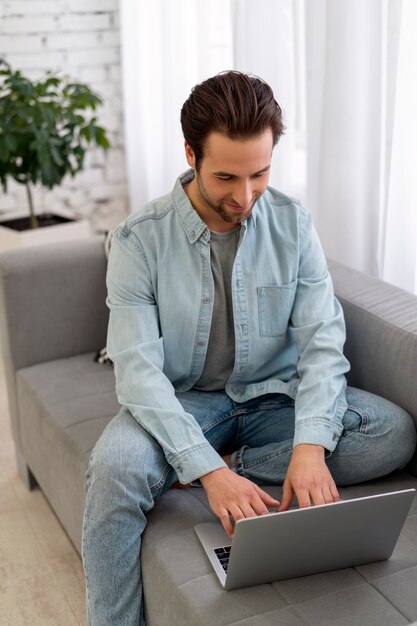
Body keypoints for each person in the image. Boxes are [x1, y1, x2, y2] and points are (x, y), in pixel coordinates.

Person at [82, 71, 416, 625]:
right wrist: (207, 469)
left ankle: (237, 467)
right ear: (190, 153)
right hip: (187, 402)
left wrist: (309, 447)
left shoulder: (294, 223)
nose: (244, 196)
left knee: (392, 431)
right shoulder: (138, 240)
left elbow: (322, 345)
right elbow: (138, 374)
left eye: (259, 173)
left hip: (275, 402)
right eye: (226, 177)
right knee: (114, 467)